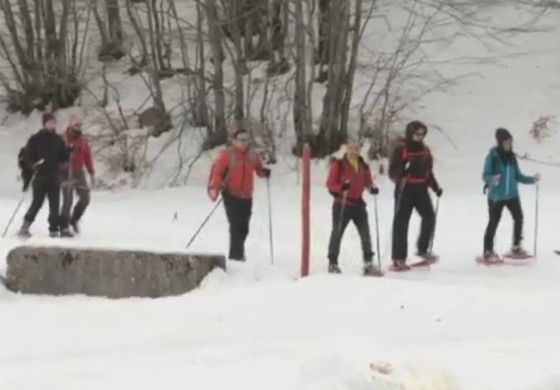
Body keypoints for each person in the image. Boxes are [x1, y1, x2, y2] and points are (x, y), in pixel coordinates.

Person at [207, 128, 271, 261]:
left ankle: (238, 254)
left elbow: (258, 170)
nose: (244, 143)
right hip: (231, 194)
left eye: (247, 139)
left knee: (244, 227)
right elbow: (218, 173)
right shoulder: (227, 155)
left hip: (247, 195)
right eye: (241, 140)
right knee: (235, 225)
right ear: (234, 141)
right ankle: (236, 256)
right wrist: (216, 185)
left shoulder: (252, 155)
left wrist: (264, 172)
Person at [388, 120, 443, 271]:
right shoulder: (401, 150)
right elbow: (392, 173)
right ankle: (398, 258)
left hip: (421, 189)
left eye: (422, 134)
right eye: (417, 134)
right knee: (401, 223)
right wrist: (403, 171)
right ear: (410, 133)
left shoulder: (425, 150)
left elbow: (428, 172)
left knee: (429, 217)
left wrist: (435, 187)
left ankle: (422, 250)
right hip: (405, 190)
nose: (419, 137)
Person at [481, 128, 540, 261]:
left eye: (510, 142)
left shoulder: (511, 158)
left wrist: (532, 179)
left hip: (512, 195)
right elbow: (485, 175)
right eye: (506, 142)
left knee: (519, 218)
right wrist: (492, 179)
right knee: (494, 222)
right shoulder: (493, 157)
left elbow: (518, 176)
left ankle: (516, 246)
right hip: (497, 196)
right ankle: (488, 250)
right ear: (500, 143)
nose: (509, 145)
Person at [325, 140, 382, 276]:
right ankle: (332, 263)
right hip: (343, 203)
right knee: (337, 232)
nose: (353, 151)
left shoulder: (363, 165)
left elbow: (367, 182)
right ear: (346, 149)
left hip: (358, 205)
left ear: (359, 150)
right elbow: (330, 184)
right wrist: (341, 187)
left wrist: (372, 188)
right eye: (351, 148)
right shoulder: (339, 165)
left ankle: (368, 263)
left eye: (356, 148)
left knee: (365, 234)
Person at [18, 113, 71, 238]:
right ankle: (25, 225)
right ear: (44, 124)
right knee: (37, 202)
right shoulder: (35, 138)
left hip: (54, 175)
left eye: (53, 122)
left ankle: (53, 229)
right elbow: (28, 155)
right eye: (49, 123)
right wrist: (33, 165)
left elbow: (62, 156)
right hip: (40, 175)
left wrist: (68, 151)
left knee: (55, 204)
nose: (51, 125)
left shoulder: (58, 139)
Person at [60, 115, 95, 236]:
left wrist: (91, 170)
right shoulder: (63, 139)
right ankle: (63, 227)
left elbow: (87, 156)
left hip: (79, 172)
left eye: (80, 126)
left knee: (85, 198)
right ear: (70, 125)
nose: (78, 128)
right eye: (76, 125)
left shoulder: (83, 140)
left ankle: (74, 219)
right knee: (67, 201)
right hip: (65, 172)